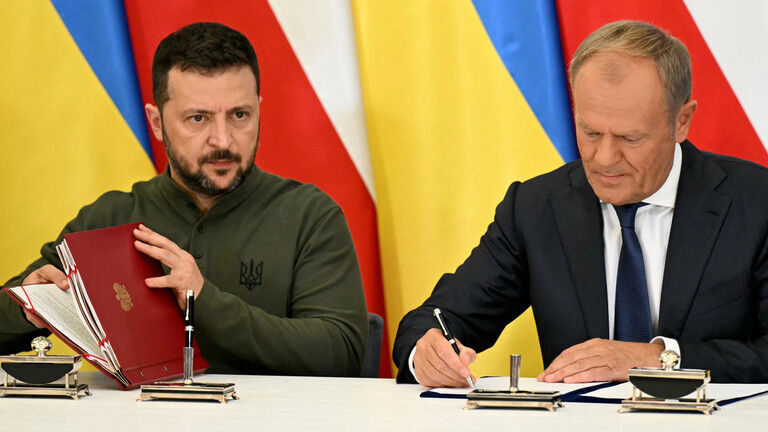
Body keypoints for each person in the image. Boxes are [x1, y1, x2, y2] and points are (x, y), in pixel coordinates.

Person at [393, 20, 768, 387]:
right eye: (589, 132)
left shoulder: (757, 203)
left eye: (629, 138)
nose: (604, 158)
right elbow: (437, 319)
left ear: (682, 122)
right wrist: (426, 352)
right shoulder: (536, 207)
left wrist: (657, 359)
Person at [0, 22, 368, 377]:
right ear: (157, 123)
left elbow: (342, 354)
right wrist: (32, 307)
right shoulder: (111, 216)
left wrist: (203, 300)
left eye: (240, 115)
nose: (222, 140)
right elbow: (14, 307)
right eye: (198, 119)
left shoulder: (310, 216)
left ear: (259, 109)